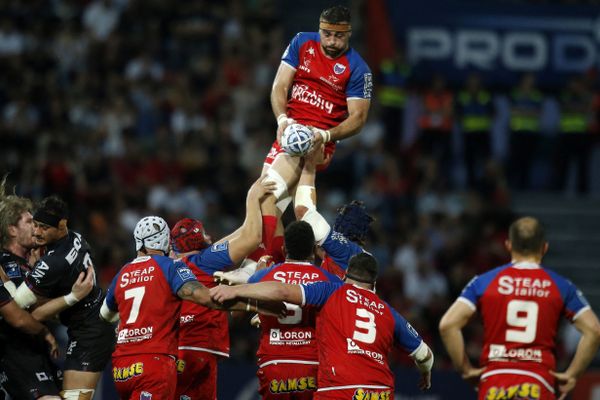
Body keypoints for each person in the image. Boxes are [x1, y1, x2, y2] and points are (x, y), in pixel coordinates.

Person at [100, 215, 284, 399]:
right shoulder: (170, 266)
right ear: (165, 240)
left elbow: (105, 315)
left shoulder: (123, 272)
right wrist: (253, 304)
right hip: (155, 362)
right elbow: (204, 297)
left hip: (121, 367)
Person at [211, 252, 434, 399]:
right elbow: (425, 355)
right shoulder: (389, 312)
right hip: (380, 392)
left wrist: (236, 290)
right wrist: (425, 374)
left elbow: (282, 290)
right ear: (374, 284)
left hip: (338, 389)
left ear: (345, 275)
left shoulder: (332, 290)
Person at [439, 216, 600, 400]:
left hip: (494, 384)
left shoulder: (484, 282)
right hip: (538, 383)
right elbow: (594, 330)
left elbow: (447, 325)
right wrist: (573, 374)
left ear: (508, 245)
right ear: (544, 248)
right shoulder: (561, 286)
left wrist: (465, 369)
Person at [260, 4, 372, 258]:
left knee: (264, 196)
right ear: (319, 30)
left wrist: (325, 135)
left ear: (349, 33)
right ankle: (284, 261)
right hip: (290, 133)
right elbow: (279, 86)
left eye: (339, 36)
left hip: (317, 142)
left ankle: (272, 264)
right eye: (327, 34)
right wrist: (282, 120)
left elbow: (358, 119)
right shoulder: (301, 43)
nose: (332, 41)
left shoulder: (358, 68)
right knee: (273, 208)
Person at [171, 179, 274, 400]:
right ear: (197, 239)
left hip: (175, 348)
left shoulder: (175, 264)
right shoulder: (205, 260)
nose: (210, 237)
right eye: (205, 233)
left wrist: (252, 210)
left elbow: (241, 233)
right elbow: (252, 238)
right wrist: (252, 196)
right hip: (198, 346)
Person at [12, 195, 114, 400]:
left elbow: (18, 308)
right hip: (93, 322)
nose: (37, 232)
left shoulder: (53, 263)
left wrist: (71, 298)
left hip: (90, 334)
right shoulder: (77, 237)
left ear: (61, 226)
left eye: (44, 228)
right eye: (36, 225)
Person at [0, 184, 95, 399]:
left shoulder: (33, 263)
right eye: (29, 222)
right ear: (12, 230)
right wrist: (73, 298)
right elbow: (24, 309)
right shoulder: (7, 264)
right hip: (17, 352)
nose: (36, 229)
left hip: (38, 351)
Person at [246, 220, 341, 399]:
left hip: (274, 363)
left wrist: (256, 276)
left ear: (283, 250)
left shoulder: (262, 277)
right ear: (313, 251)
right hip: (313, 364)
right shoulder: (331, 282)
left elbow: (251, 303)